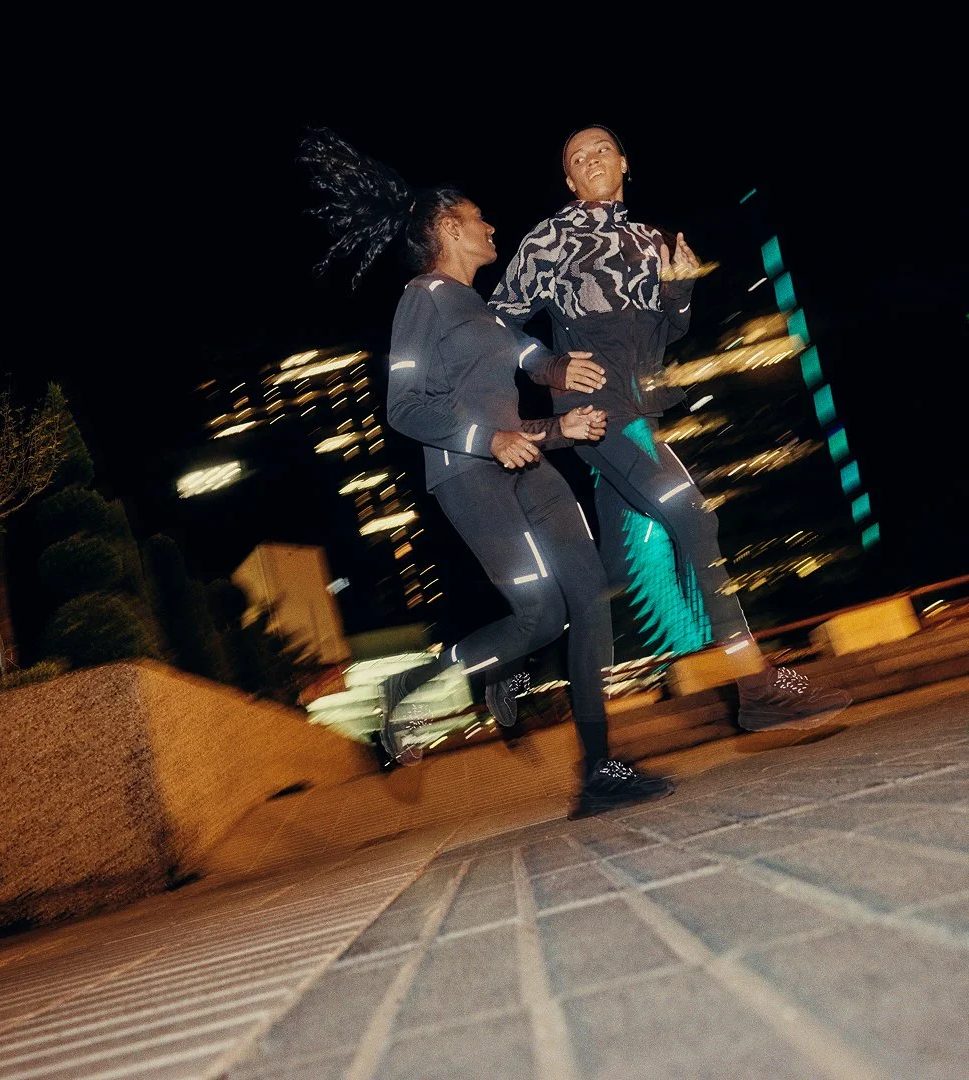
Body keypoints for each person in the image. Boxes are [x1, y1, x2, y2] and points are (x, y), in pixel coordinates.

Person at [297, 126, 673, 818]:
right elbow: (403, 406)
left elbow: (528, 356)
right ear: (448, 228)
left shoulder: (481, 309)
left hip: (526, 462)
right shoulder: (422, 301)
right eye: (477, 218)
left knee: (587, 594)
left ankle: (598, 769)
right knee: (538, 612)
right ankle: (414, 687)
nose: (491, 225)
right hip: (469, 478)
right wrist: (492, 435)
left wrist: (562, 389)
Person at [488, 123, 852, 731]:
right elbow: (496, 322)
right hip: (599, 415)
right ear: (569, 178)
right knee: (693, 517)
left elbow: (667, 335)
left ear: (624, 162)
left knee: (610, 573)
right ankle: (757, 687)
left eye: (602, 149)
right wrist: (548, 365)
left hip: (642, 408)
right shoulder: (548, 240)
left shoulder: (647, 237)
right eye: (578, 157)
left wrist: (679, 290)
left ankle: (519, 660)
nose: (592, 159)